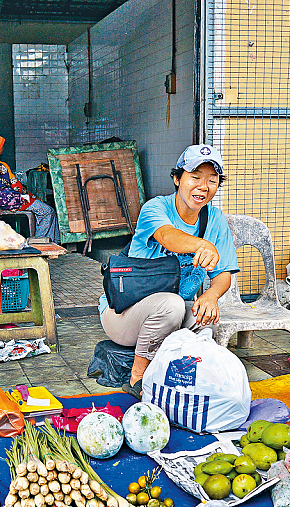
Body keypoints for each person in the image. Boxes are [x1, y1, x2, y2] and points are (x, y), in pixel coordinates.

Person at [99, 144, 239, 399]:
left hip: (168, 314)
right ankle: (138, 377)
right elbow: (166, 235)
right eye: (195, 177)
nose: (203, 186)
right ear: (177, 179)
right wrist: (201, 244)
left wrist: (211, 296)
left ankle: (181, 378)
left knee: (205, 319)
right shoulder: (155, 208)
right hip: (123, 314)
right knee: (173, 305)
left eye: (212, 180)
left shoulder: (215, 219)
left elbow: (223, 274)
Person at [0, 134, 60, 243]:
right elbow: (17, 187)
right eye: (0, 146)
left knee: (42, 208)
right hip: (11, 200)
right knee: (47, 210)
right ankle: (39, 242)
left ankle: (51, 241)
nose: (2, 149)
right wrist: (33, 197)